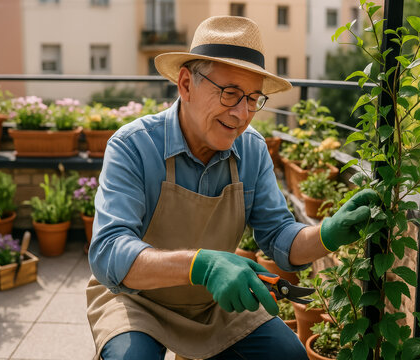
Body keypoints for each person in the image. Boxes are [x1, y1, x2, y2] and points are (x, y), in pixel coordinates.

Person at [86, 15, 378, 360]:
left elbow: (279, 237)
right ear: (185, 84)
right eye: (230, 93)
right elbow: (108, 252)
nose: (242, 114)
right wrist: (202, 266)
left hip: (214, 303)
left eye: (253, 98)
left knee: (288, 355)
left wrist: (326, 234)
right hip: (136, 299)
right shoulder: (133, 146)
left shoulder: (251, 148)